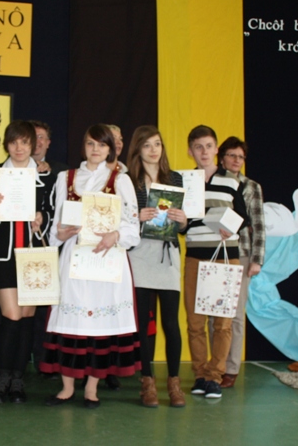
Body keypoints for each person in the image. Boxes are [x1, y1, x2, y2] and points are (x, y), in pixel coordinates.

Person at [41, 124, 141, 409]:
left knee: (100, 325)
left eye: (101, 144)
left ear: (110, 148)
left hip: (106, 260)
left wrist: (115, 235)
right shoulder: (66, 178)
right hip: (74, 258)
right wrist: (60, 234)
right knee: (71, 322)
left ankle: (92, 388)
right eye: (90, 144)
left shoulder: (121, 180)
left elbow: (132, 226)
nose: (95, 149)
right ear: (83, 147)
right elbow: (56, 225)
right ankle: (67, 387)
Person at [0, 120, 52, 404]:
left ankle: (17, 380)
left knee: (26, 318)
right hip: (2, 255)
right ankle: (1, 378)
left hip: (33, 256)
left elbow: (51, 211)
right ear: (6, 145)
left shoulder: (46, 176)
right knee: (11, 316)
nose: (19, 148)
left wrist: (42, 219)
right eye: (13, 142)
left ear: (33, 144)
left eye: (24, 142)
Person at [182, 125, 248, 400]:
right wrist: (182, 222)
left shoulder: (232, 181)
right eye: (198, 147)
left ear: (216, 149)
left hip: (226, 256)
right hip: (195, 256)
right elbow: (182, 225)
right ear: (190, 151)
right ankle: (200, 375)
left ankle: (215, 376)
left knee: (222, 323)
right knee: (195, 322)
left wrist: (230, 226)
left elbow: (244, 218)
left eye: (209, 146)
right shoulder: (184, 182)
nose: (204, 152)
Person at [126, 125, 187, 408]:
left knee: (171, 323)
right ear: (138, 149)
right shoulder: (128, 180)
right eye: (147, 144)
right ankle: (147, 381)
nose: (153, 150)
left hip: (167, 254)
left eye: (157, 144)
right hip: (139, 254)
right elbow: (120, 218)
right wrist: (136, 217)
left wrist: (183, 221)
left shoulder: (175, 178)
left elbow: (184, 224)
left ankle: (174, 382)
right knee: (142, 324)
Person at [208, 136, 265, 389]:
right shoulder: (211, 182)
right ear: (221, 158)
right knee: (212, 312)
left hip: (240, 254)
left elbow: (259, 225)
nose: (236, 160)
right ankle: (215, 365)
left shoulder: (251, 187)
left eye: (241, 157)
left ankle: (231, 368)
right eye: (232, 155)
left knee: (235, 313)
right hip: (214, 253)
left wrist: (257, 260)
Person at [27, 120, 67, 375]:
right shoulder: (9, 170)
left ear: (49, 143)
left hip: (49, 246)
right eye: (32, 137)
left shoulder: (61, 172)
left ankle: (45, 361)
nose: (37, 141)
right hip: (18, 246)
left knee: (46, 309)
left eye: (41, 137)